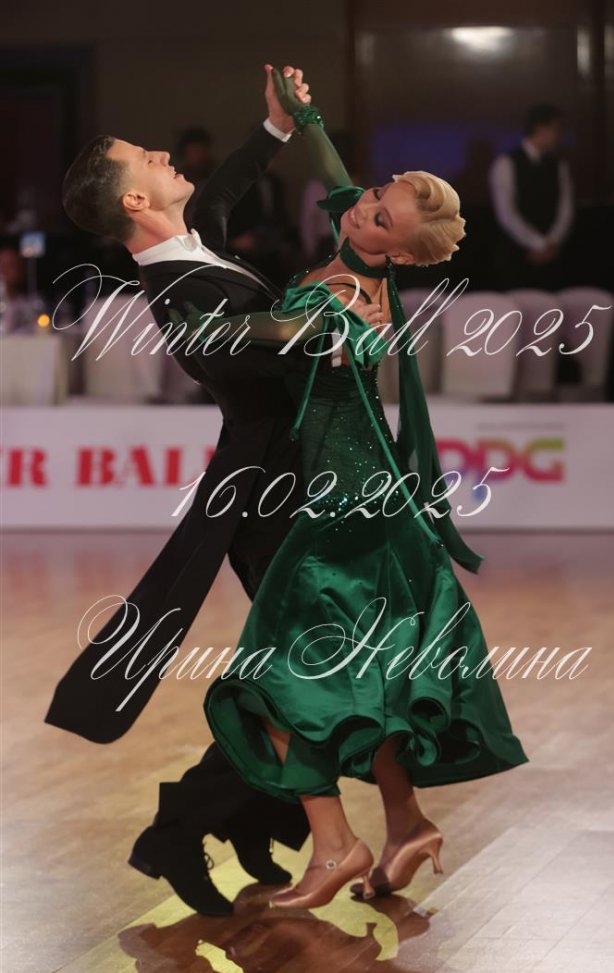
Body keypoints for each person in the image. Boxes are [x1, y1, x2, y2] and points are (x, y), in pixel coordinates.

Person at [177, 72, 529, 910]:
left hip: (344, 519)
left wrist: (191, 323)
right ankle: (406, 825)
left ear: (397, 252)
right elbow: (339, 181)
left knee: (275, 683)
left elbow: (265, 327)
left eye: (378, 216)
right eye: (375, 196)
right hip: (367, 506)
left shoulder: (343, 298)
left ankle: (336, 848)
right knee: (362, 684)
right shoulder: (364, 254)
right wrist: (304, 117)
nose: (362, 208)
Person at [45, 65, 318, 917]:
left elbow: (227, 182)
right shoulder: (176, 296)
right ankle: (181, 826)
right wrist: (324, 317)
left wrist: (275, 128)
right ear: (135, 201)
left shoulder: (194, 237)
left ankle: (245, 816)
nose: (165, 154)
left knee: (306, 674)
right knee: (311, 672)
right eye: (147, 158)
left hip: (296, 484)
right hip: (266, 500)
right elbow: (255, 360)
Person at [488, 103, 574, 290]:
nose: (560, 135)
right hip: (516, 257)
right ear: (540, 128)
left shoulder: (559, 166)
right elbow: (506, 214)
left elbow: (566, 209)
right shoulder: (506, 163)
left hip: (553, 258)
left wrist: (553, 242)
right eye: (557, 128)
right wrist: (538, 243)